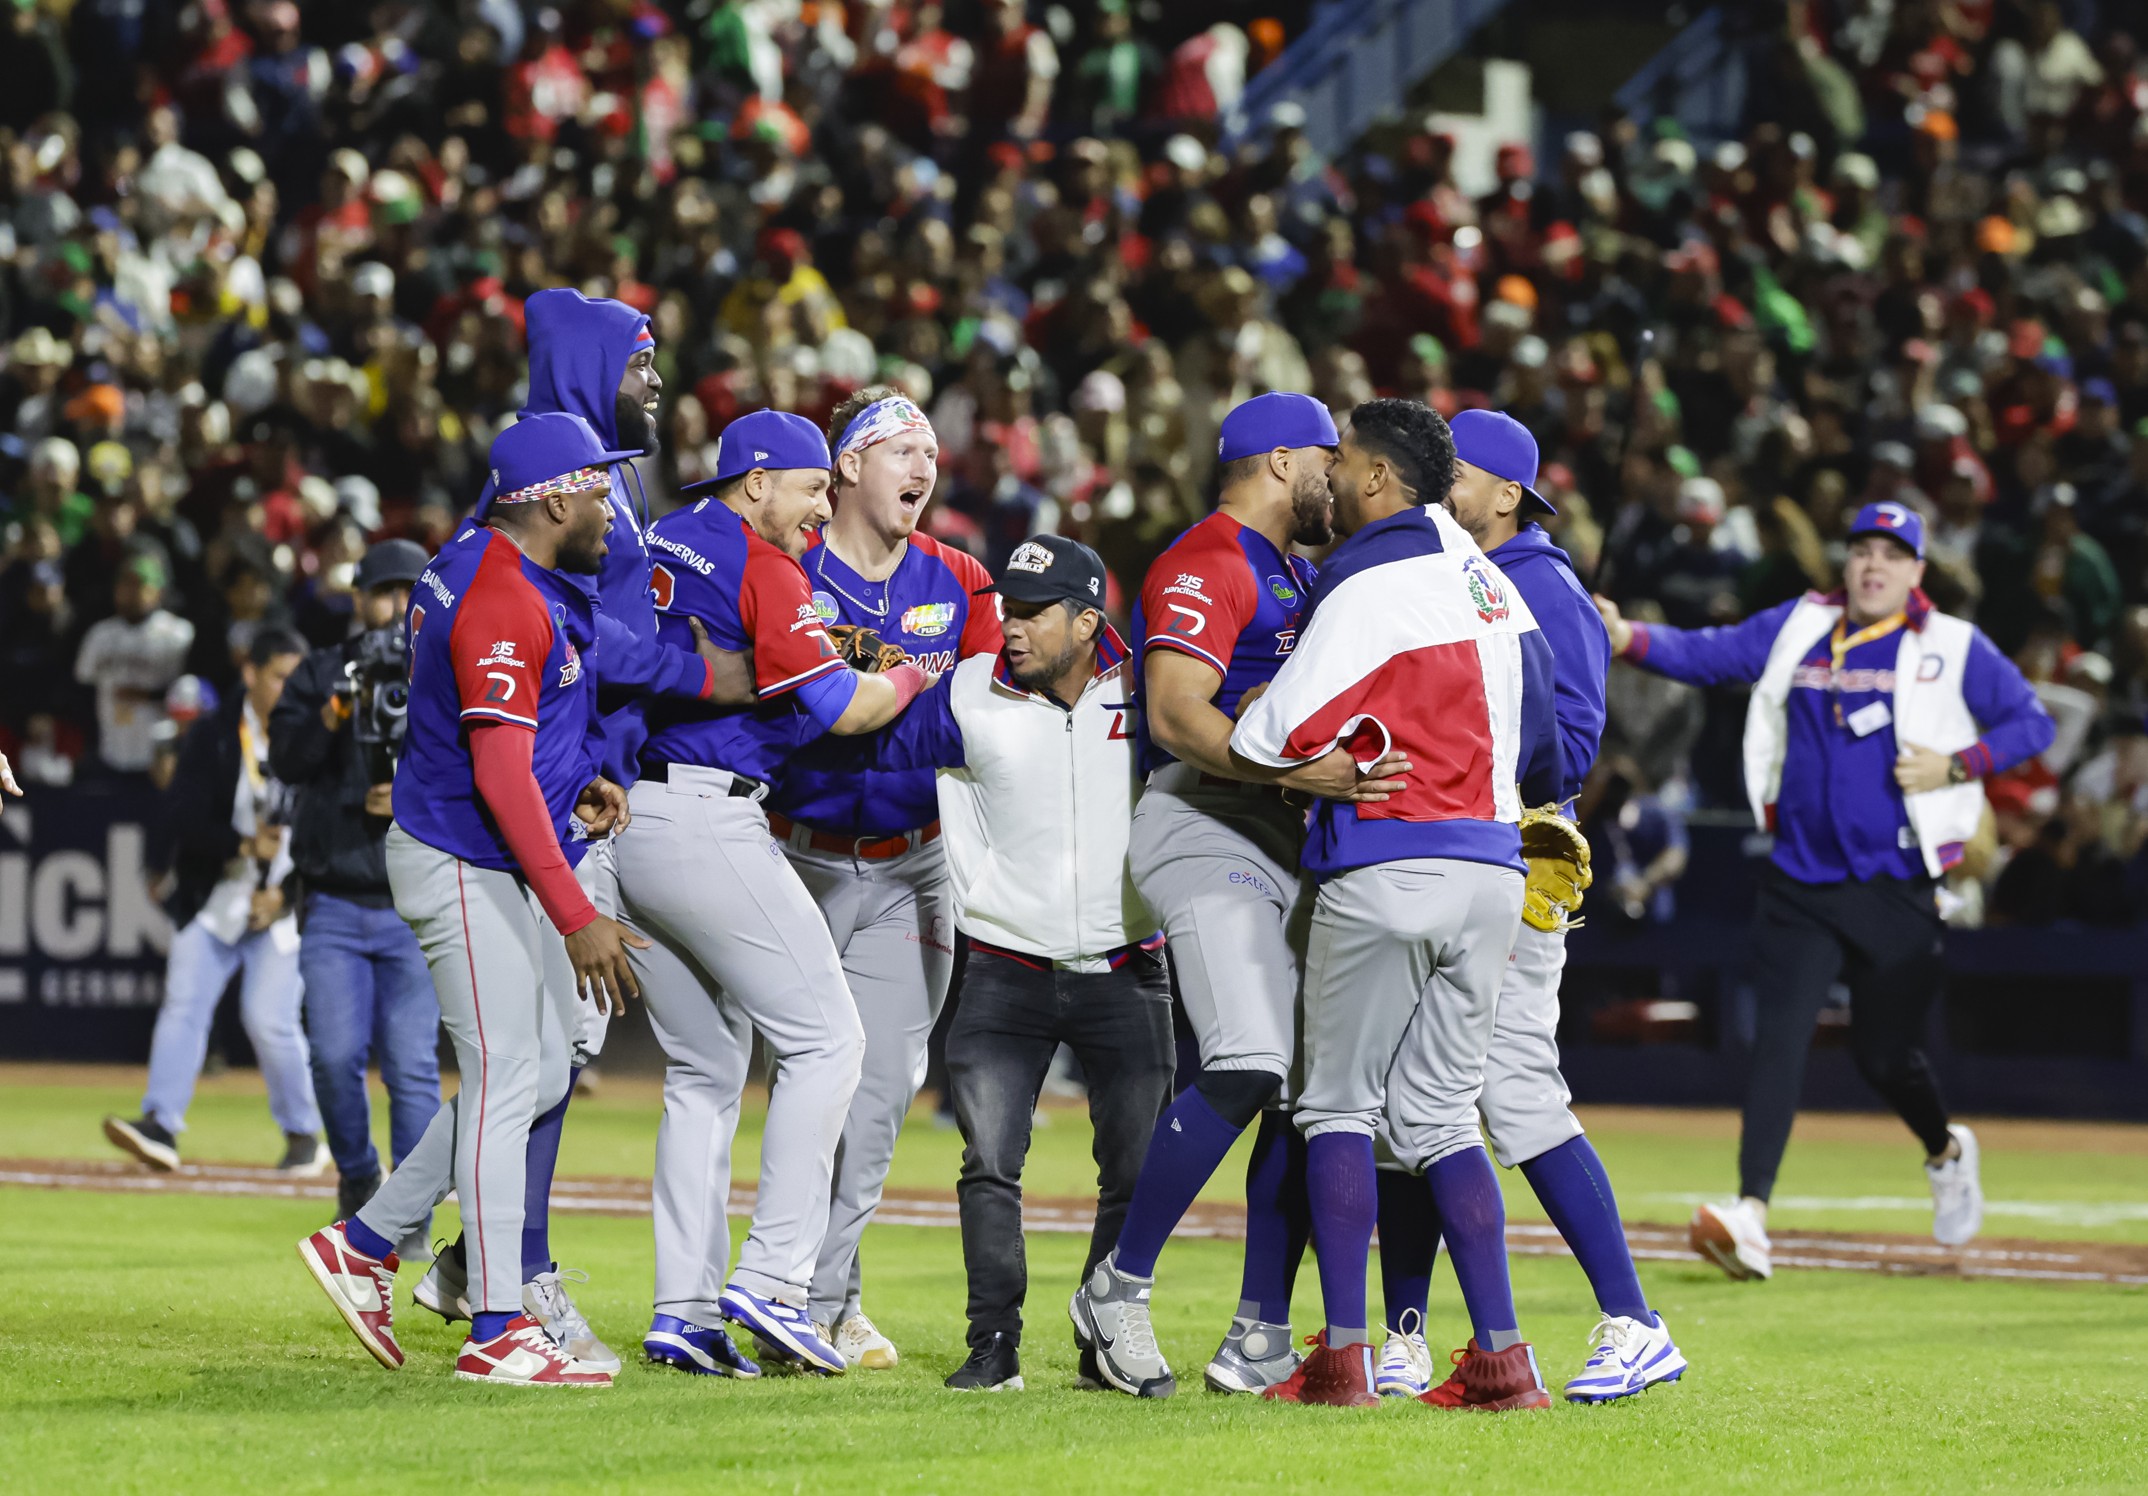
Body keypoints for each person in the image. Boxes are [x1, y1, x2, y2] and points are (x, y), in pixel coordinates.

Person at [408, 289, 749, 1375]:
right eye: (641, 366)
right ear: (593, 365)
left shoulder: (602, 483)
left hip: (582, 788)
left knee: (545, 1057)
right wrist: (705, 673)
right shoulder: (544, 494)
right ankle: (512, 1274)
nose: (656, 386)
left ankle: (461, 1258)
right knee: (533, 1060)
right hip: (528, 814)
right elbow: (591, 650)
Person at [1597, 500, 2056, 1278]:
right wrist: (1627, 638)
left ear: (1916, 569)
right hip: (1800, 877)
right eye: (1860, 552)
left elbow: (2032, 724)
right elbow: (1712, 653)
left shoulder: (1950, 643)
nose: (1872, 565)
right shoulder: (1802, 624)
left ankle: (1944, 1149)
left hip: (1895, 881)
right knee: (1778, 1039)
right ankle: (1752, 1213)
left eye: (1890, 553)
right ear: (1846, 564)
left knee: (1886, 1056)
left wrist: (1956, 765)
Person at [297, 412, 647, 1388]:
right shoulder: (501, 593)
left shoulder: (475, 553)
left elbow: (495, 742)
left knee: (530, 1073)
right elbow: (497, 771)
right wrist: (577, 912)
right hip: (460, 854)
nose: (613, 506)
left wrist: (572, 775)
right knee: (505, 1079)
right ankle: (498, 1322)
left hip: (462, 840)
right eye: (598, 488)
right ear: (551, 498)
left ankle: (366, 1239)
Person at [1229, 398, 1563, 1411]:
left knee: (1334, 1104)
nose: (1331, 476)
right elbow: (1548, 742)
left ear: (1378, 478)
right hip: (1494, 874)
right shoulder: (1494, 584)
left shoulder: (1367, 577)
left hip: (1390, 860)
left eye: (1344, 461)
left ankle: (1340, 1357)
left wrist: (1290, 738)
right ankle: (1502, 1356)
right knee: (1442, 1115)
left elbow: (1266, 738)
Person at [1073, 391, 1408, 1401]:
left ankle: (1260, 1329)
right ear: (1277, 461)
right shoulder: (1206, 559)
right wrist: (1292, 769)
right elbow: (1177, 714)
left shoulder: (1293, 571)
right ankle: (1117, 1287)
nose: (1339, 474)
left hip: (1285, 838)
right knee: (1250, 1055)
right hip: (1205, 820)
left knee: (1313, 1095)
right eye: (1326, 455)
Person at [1371, 409, 1685, 1407]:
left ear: (1506, 492)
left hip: (1513, 860)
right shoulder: (1456, 572)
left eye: (1454, 472)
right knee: (1408, 1097)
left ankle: (1635, 1319)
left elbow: (1573, 746)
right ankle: (1406, 1334)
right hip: (1447, 859)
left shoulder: (1542, 585)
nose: (1438, 486)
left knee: (1510, 1091)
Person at [623, 409, 932, 1379]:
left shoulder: (659, 535)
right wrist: (918, 673)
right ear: (757, 480)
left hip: (630, 815)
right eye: (809, 487)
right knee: (831, 1040)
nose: (820, 507)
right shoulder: (764, 564)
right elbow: (843, 708)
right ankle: (775, 1279)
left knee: (707, 1067)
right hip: (707, 820)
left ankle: (684, 1308)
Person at [861, 533, 1174, 1394]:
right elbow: (865, 754)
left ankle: (1103, 1337)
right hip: (1003, 967)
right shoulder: (967, 690)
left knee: (1139, 1171)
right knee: (989, 1163)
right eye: (1007, 607)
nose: (1012, 626)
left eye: (1034, 613)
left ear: (1087, 618)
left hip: (1128, 964)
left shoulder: (1151, 688)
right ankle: (992, 1342)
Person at [767, 387, 1002, 1369]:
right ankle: (734, 1290)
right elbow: (797, 722)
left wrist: (868, 707)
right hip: (788, 854)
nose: (923, 466)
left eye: (931, 453)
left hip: (912, 863)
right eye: (902, 447)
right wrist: (892, 704)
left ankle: (832, 1298)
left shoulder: (963, 579)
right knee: (775, 1082)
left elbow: (983, 715)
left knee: (875, 1099)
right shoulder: (788, 571)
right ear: (847, 466)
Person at [103, 628, 324, 1175]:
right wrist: (242, 844)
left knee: (269, 1019)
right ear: (250, 673)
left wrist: (286, 895)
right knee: (183, 1004)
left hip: (280, 905)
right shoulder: (213, 734)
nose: (289, 688)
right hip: (216, 895)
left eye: (297, 679)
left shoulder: (317, 738)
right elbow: (181, 817)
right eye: (279, 676)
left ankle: (304, 1135)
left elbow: (327, 834)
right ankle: (160, 1125)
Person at [267, 539, 441, 1226]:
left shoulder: (443, 669)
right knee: (335, 1058)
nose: (394, 607)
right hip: (336, 898)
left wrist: (410, 796)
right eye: (382, 593)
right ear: (359, 598)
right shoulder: (318, 673)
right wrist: (336, 709)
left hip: (415, 902)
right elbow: (286, 761)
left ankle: (412, 1215)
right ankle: (359, 1173)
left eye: (407, 592)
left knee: (411, 1069)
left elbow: (480, 768)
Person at [73, 551, 195, 780]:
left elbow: (192, 695)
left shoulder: (178, 634)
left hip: (158, 756)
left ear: (158, 592)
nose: (130, 592)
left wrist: (149, 695)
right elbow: (82, 685)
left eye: (139, 584)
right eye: (125, 584)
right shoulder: (100, 634)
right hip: (109, 749)